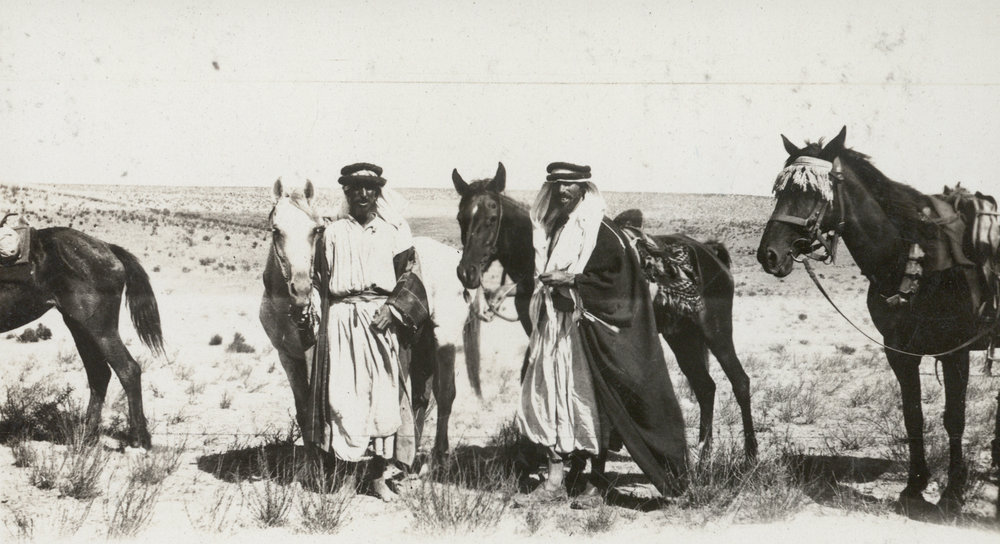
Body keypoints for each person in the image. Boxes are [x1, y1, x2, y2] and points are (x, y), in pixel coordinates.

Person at [515, 162, 688, 509]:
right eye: (557, 185)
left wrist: (573, 281)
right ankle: (554, 479)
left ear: (583, 189)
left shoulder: (603, 232)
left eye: (569, 185)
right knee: (550, 397)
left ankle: (596, 481)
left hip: (587, 331)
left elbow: (618, 281)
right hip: (555, 331)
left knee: (591, 403)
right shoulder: (556, 227)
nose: (562, 191)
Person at [305, 162, 428, 502]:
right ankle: (345, 479)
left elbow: (409, 278)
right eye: (355, 188)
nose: (362, 194)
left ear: (378, 193)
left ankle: (377, 478)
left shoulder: (392, 233)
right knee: (344, 399)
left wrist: (393, 310)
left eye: (369, 188)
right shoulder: (331, 234)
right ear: (346, 192)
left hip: (381, 322)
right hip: (342, 322)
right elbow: (318, 283)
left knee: (382, 400)